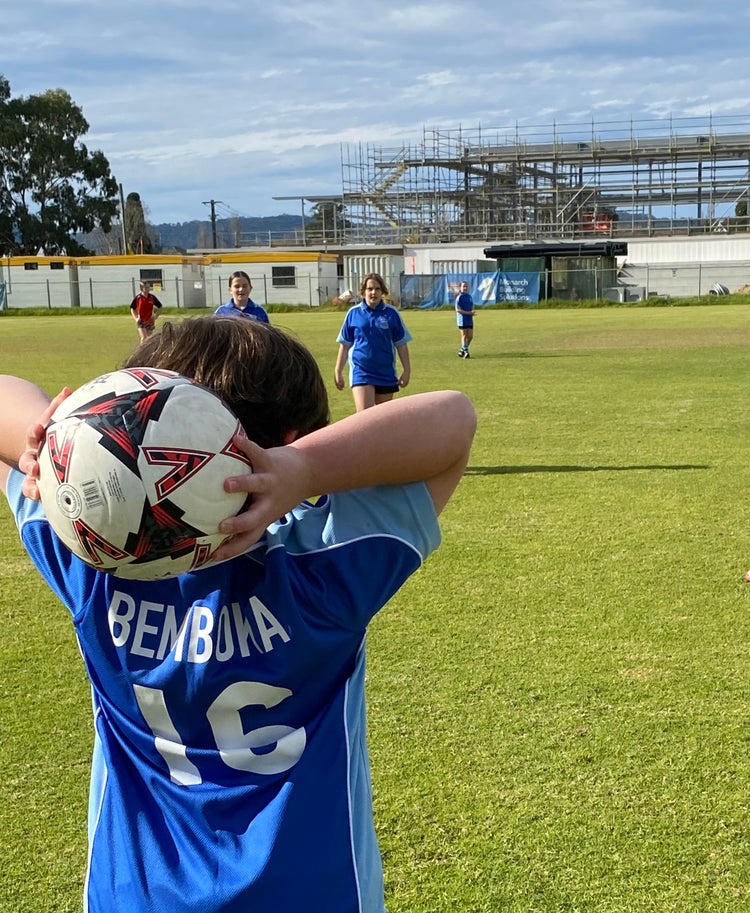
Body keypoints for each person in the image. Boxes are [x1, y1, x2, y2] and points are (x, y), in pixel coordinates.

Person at [0, 315, 476, 913]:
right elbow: (454, 421)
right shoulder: (322, 567)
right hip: (313, 896)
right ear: (291, 440)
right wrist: (307, 469)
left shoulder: (89, 566)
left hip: (136, 896)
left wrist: (47, 441)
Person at [334, 272, 411, 412]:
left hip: (385, 372)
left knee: (382, 421)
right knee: (364, 416)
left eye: (377, 289)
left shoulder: (391, 313)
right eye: (369, 289)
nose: (373, 292)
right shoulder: (353, 313)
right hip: (361, 371)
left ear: (382, 292)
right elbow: (344, 345)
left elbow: (401, 344)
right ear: (363, 291)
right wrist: (338, 371)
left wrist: (407, 370)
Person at [455, 280, 476, 358]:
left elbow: (472, 305)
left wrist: (472, 311)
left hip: (469, 319)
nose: (465, 288)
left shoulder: (469, 296)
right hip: (462, 319)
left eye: (466, 286)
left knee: (470, 336)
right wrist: (468, 313)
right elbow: (458, 310)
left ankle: (462, 349)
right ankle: (466, 352)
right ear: (460, 288)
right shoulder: (459, 298)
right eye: (463, 286)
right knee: (464, 335)